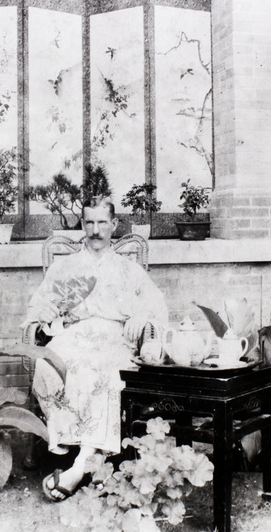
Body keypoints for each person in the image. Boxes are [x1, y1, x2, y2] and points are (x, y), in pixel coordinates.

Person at [24, 196, 169, 501]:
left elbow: (156, 308)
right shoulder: (65, 267)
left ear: (114, 225)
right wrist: (44, 318)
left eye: (103, 222)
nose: (95, 230)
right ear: (82, 224)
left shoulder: (128, 269)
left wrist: (141, 316)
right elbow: (39, 308)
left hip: (113, 337)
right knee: (54, 365)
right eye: (89, 222)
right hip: (72, 336)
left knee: (105, 370)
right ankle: (93, 460)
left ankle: (80, 465)